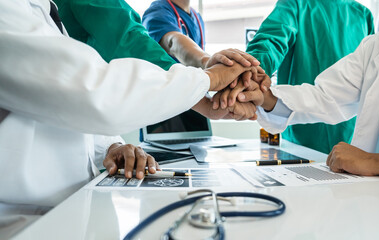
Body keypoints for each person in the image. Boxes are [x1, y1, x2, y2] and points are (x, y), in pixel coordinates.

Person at [0, 0, 259, 237]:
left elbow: (60, 101)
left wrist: (110, 146)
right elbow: (94, 90)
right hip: (23, 226)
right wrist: (209, 78)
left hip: (72, 211)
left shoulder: (44, 12)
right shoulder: (9, 11)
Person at [236, 0, 379, 184]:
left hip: (361, 158)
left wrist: (376, 161)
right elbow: (327, 96)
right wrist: (261, 93)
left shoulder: (361, 14)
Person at [53, 0, 263, 120]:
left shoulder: (197, 18)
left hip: (189, 99)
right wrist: (209, 68)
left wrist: (225, 86)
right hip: (164, 112)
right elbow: (169, 42)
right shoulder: (159, 10)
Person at [239, 0, 375, 154]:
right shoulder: (296, 5)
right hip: (300, 126)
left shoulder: (363, 14)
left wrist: (251, 72)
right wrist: (254, 70)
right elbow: (270, 41)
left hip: (350, 131)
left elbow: (372, 70)